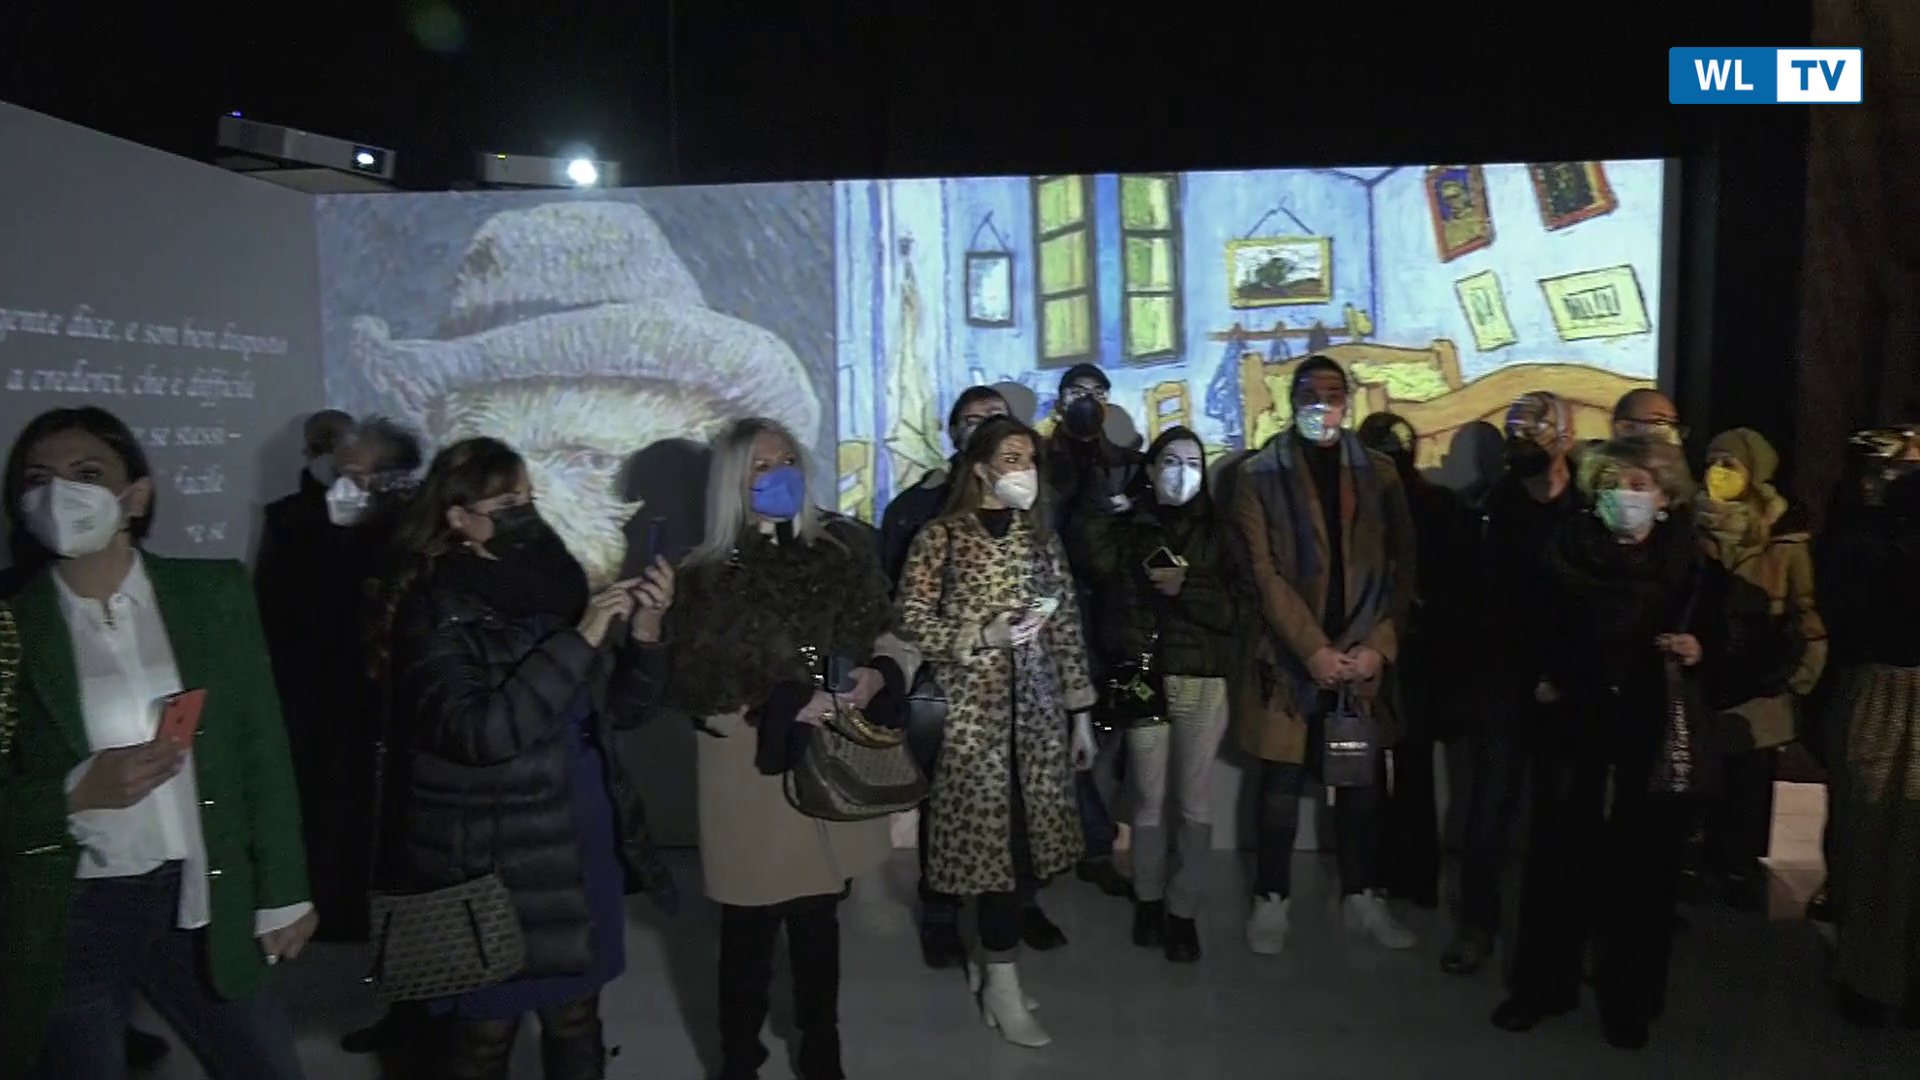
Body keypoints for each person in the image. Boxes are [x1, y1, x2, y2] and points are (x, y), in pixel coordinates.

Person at [0, 406, 314, 1080]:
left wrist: (284, 889)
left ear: (135, 497)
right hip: (73, 909)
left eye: (87, 474)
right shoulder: (11, 626)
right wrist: (73, 792)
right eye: (38, 479)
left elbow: (261, 747)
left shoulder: (212, 592)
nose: (59, 494)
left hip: (199, 895)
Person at [370, 436, 676, 1080]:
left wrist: (646, 634)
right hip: (491, 861)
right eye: (506, 504)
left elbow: (619, 713)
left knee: (578, 1018)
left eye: (528, 498)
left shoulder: (552, 582)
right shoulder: (434, 608)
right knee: (485, 1035)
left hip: (578, 841)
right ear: (457, 516)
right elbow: (479, 732)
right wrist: (582, 637)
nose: (526, 515)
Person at [666, 417, 915, 1080]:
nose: (779, 475)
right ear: (732, 482)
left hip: (826, 765)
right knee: (748, 932)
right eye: (760, 466)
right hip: (750, 772)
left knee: (816, 923)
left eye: (787, 460)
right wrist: (780, 705)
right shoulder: (703, 575)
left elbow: (888, 634)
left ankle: (821, 1051)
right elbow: (696, 686)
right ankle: (738, 1058)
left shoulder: (842, 549)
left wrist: (879, 675)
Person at [1492, 436, 1714, 1051]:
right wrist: (1546, 675)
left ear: (1665, 497)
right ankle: (1542, 987)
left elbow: (1723, 633)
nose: (1624, 495)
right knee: (1557, 855)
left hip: (1650, 726)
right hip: (1573, 718)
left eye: (1639, 485)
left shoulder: (1688, 561)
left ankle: (1629, 998)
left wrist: (1698, 649)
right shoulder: (1565, 547)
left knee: (1643, 867)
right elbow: (1530, 624)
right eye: (1613, 483)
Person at [900, 415, 1099, 1048]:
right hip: (969, 721)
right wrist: (976, 635)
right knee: (992, 853)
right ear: (981, 468)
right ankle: (1003, 981)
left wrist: (1081, 713)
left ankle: (996, 969)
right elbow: (911, 618)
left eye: (1030, 459)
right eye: (1012, 459)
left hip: (1036, 720)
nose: (1024, 471)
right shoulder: (941, 537)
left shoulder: (1040, 541)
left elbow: (1065, 627)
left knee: (1023, 851)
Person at [1231, 356, 1418, 957]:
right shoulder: (1258, 474)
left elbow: (1402, 566)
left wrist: (1379, 644)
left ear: (1349, 400)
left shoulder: (1380, 473)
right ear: (1292, 401)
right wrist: (1311, 647)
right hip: (1288, 657)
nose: (1323, 404)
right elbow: (1263, 573)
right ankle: (1271, 899)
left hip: (1361, 654)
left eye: (1334, 393)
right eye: (1310, 394)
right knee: (1279, 786)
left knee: (1360, 784)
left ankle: (1362, 896)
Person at [876, 385, 1037, 969]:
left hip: (1021, 683)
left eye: (995, 418)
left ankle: (1016, 909)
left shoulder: (1031, 506)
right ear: (953, 433)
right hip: (943, 681)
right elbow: (899, 603)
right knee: (943, 799)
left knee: (1018, 801)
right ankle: (940, 911)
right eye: (972, 420)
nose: (983, 427)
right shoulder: (918, 509)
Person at [255, 416, 424, 950]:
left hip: (387, 703)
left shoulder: (414, 534)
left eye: (360, 475)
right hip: (314, 700)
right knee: (322, 811)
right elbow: (270, 609)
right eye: (340, 470)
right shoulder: (292, 520)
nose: (345, 484)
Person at [1080, 427, 1237, 962]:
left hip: (1201, 679)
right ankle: (1148, 898)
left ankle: (1183, 910)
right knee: (1146, 796)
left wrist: (1187, 586)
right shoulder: (1129, 527)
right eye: (1170, 461)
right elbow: (1093, 559)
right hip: (1142, 680)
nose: (1181, 472)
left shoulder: (1220, 530)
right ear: (1149, 469)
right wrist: (1109, 498)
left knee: (1193, 800)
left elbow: (1238, 608)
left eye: (1193, 462)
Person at [1442, 391, 1581, 974]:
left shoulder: (1590, 505)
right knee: (1489, 810)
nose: (1525, 440)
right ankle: (1478, 925)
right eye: (1516, 431)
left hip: (1573, 680)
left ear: (1566, 436)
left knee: (1565, 815)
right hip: (1502, 679)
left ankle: (1558, 937)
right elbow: (1466, 600)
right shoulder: (1487, 509)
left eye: (1537, 430)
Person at [1690, 428, 1826, 908]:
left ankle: (1739, 867)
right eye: (1713, 460)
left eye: (1731, 463)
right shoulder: (1691, 523)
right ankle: (1699, 862)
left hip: (1760, 676)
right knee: (1701, 774)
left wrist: (1800, 674)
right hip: (1704, 672)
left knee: (1749, 779)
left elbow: (1805, 609)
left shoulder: (1784, 537)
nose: (1719, 472)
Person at [1357, 412, 1475, 911]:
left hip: (1416, 651)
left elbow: (1455, 589)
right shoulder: (1365, 505)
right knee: (1376, 763)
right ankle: (1384, 871)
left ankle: (1402, 873)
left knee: (1408, 762)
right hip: (1376, 647)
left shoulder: (1437, 506)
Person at [1819, 464, 1920, 1027]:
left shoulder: (1864, 547)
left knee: (1875, 842)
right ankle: (1876, 978)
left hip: (1875, 693)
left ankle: (1874, 979)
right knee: (1878, 841)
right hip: (1882, 691)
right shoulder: (1870, 553)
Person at [1044, 363, 1144, 900]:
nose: (1085, 400)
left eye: (1096, 392)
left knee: (1107, 737)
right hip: (1051, 618)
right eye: (1075, 391)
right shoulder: (1036, 461)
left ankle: (1097, 845)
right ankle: (1064, 843)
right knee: (1057, 732)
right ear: (1059, 400)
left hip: (1114, 616)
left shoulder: (1127, 464)